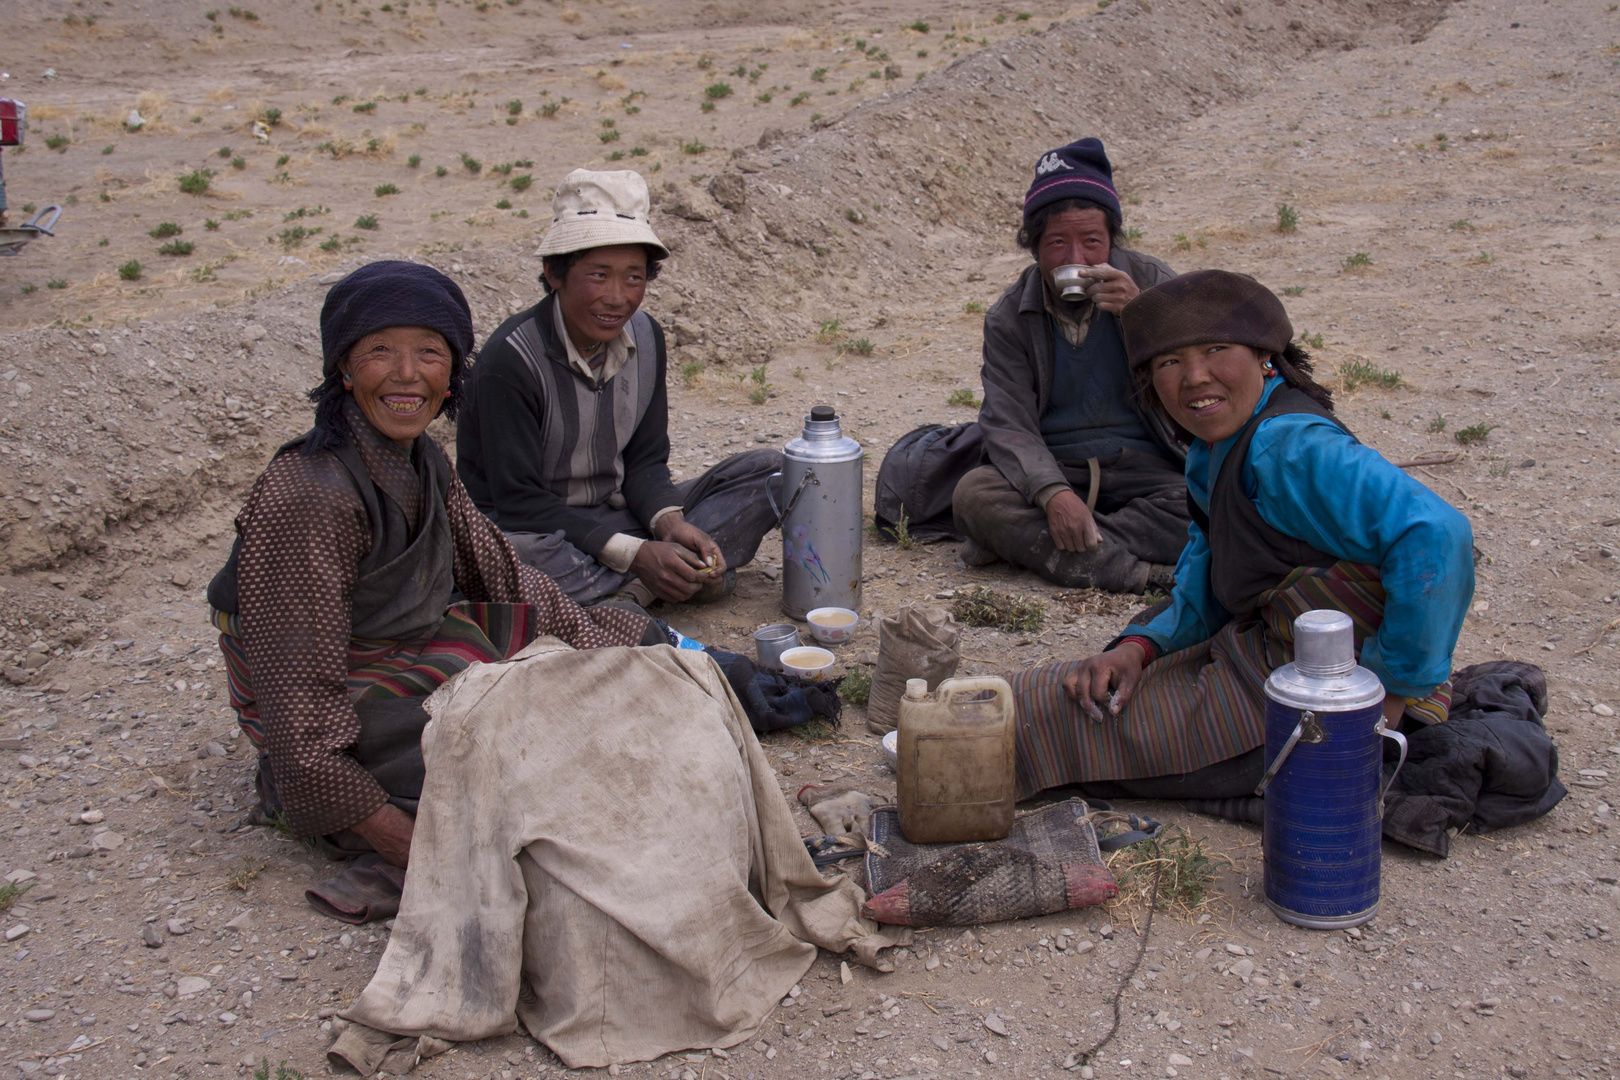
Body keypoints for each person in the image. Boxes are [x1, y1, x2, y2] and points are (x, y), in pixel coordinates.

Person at [207, 261, 654, 902]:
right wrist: (419, 852)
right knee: (522, 754)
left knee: (576, 666)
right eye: (380, 351)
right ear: (343, 367)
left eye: (430, 353)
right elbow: (301, 710)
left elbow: (504, 576)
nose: (408, 374)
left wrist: (612, 650)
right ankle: (307, 793)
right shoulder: (312, 494)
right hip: (316, 691)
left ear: (453, 374)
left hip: (395, 643)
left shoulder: (421, 460)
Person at [1011, 269, 1475, 801]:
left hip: (1324, 688)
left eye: (1216, 350)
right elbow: (1207, 578)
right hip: (1267, 644)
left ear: (1264, 356)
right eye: (1169, 362)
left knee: (1036, 726)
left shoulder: (1286, 447)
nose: (1194, 378)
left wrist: (1386, 690)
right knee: (1068, 690)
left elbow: (1436, 534)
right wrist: (1137, 649)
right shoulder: (1214, 452)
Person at [456, 168, 782, 609]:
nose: (617, 297)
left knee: (770, 471)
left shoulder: (646, 338)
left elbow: (645, 461)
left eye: (634, 277)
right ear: (554, 273)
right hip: (539, 532)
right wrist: (635, 554)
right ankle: (661, 583)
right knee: (515, 558)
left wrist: (668, 523)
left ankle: (644, 586)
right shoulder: (510, 360)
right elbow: (519, 503)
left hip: (620, 519)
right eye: (598, 275)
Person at [953, 137, 1188, 594]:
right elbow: (1008, 421)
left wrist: (1144, 319)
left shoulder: (1153, 284)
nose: (1076, 260)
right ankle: (1136, 573)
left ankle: (1042, 547)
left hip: (1149, 472)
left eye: (1092, 242)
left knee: (1210, 501)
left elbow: (1198, 382)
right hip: (1060, 471)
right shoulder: (1009, 317)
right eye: (1058, 243)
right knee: (974, 495)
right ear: (1034, 246)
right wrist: (1053, 494)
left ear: (1112, 241)